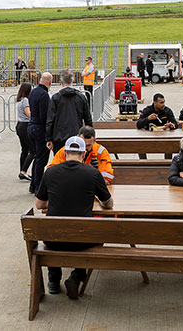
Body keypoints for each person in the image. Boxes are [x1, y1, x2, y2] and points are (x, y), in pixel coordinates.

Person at [35, 136, 113, 299]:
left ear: (65, 153)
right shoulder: (92, 174)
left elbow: (39, 205)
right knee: (92, 232)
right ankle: (76, 276)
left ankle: (54, 280)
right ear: (84, 153)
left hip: (53, 240)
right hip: (81, 241)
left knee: (55, 229)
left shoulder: (50, 172)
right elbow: (108, 204)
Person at [47, 126, 114, 185]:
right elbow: (51, 173)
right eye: (82, 144)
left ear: (94, 140)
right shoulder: (66, 150)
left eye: (88, 145)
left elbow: (107, 178)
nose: (85, 148)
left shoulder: (101, 152)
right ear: (78, 137)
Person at [46, 70, 93, 155]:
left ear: (61, 82)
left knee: (60, 164)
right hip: (77, 137)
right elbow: (88, 119)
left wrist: (49, 138)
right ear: (73, 80)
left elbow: (50, 120)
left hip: (59, 137)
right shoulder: (81, 97)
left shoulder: (56, 98)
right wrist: (90, 136)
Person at [27, 72, 53, 194]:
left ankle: (33, 185)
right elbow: (45, 116)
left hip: (31, 126)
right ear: (50, 82)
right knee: (41, 160)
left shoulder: (33, 92)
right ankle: (38, 186)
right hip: (39, 128)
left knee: (37, 158)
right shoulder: (44, 95)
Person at [15, 82, 34, 181]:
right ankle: (24, 171)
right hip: (25, 126)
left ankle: (22, 170)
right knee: (33, 151)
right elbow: (29, 114)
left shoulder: (19, 100)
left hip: (19, 125)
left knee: (24, 150)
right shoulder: (26, 101)